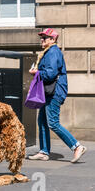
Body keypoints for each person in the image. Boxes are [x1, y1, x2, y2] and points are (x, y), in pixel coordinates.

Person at [28, 28, 86, 163]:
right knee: (42, 121)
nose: (42, 40)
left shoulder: (53, 52)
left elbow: (51, 73)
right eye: (41, 38)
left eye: (45, 38)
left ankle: (77, 146)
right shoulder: (48, 52)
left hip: (54, 92)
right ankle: (44, 151)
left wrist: (36, 72)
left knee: (53, 123)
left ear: (53, 40)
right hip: (48, 91)